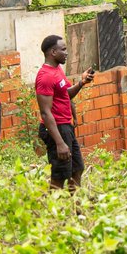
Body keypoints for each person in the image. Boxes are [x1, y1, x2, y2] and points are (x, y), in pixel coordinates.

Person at [35, 35, 94, 190]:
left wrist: (82, 83)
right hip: (57, 129)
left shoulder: (57, 69)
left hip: (65, 126)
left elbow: (65, 94)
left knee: (77, 169)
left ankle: (75, 208)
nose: (67, 53)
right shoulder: (45, 77)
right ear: (53, 52)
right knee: (59, 176)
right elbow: (45, 112)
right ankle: (52, 211)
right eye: (63, 49)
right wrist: (60, 143)